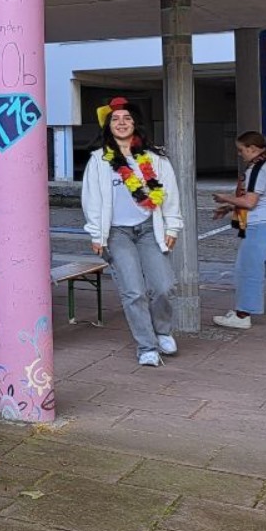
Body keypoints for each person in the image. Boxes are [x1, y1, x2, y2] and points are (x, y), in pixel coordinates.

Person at [81, 97, 182, 367]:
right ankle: (147, 346)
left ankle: (163, 331)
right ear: (108, 126)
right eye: (115, 119)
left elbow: (170, 194)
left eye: (127, 118)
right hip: (117, 233)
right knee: (134, 291)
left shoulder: (155, 159)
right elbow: (91, 200)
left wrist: (172, 225)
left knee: (163, 286)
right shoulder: (99, 160)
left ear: (135, 123)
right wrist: (96, 235)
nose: (122, 123)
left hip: (149, 229)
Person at [210, 130, 266, 330]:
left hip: (260, 226)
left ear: (252, 148)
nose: (240, 154)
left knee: (247, 270)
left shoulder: (257, 169)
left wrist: (225, 198)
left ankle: (242, 315)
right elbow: (265, 199)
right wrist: (230, 207)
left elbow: (250, 202)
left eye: (241, 150)